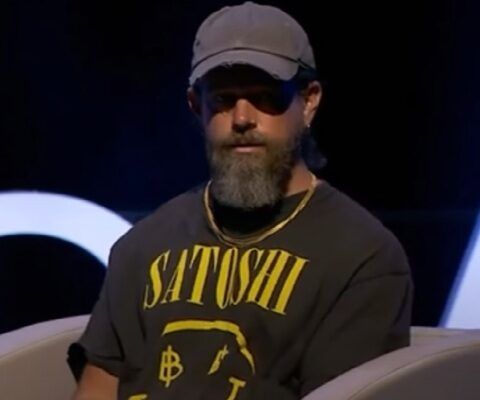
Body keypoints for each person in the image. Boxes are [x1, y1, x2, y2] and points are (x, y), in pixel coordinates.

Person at [68, 2, 413, 399]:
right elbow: (97, 389)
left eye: (265, 97)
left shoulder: (362, 257)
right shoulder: (142, 247)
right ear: (196, 106)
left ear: (309, 101)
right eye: (224, 99)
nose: (243, 118)